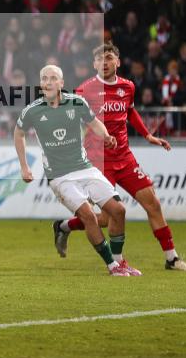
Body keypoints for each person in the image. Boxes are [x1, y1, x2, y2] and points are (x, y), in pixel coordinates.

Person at [58, 42, 186, 272]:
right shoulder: (85, 90)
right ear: (94, 64)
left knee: (152, 203)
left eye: (109, 57)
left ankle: (172, 258)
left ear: (118, 62)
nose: (104, 62)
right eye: (100, 59)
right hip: (99, 162)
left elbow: (130, 111)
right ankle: (65, 227)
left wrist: (148, 135)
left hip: (124, 157)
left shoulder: (128, 87)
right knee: (105, 218)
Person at [13, 64, 136, 277]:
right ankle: (112, 266)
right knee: (88, 216)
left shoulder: (77, 102)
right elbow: (18, 133)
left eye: (53, 78)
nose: (48, 82)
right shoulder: (32, 110)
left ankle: (119, 262)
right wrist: (24, 166)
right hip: (60, 176)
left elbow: (94, 122)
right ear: (41, 84)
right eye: (44, 79)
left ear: (61, 83)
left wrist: (106, 136)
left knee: (119, 211)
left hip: (85, 168)